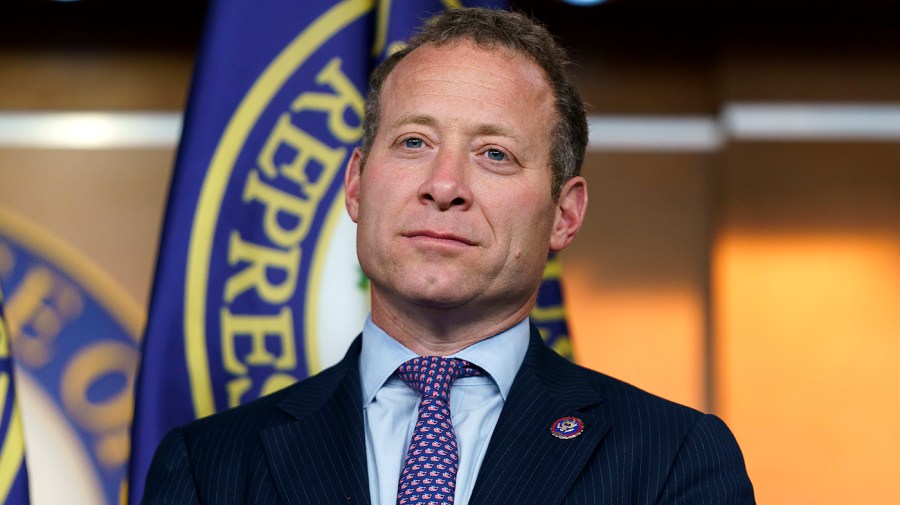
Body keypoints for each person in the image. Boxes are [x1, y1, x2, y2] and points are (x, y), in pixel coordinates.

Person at [141, 8, 755, 505]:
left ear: (564, 215)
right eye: (413, 142)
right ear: (355, 184)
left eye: (494, 154)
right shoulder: (208, 466)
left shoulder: (673, 459)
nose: (443, 184)